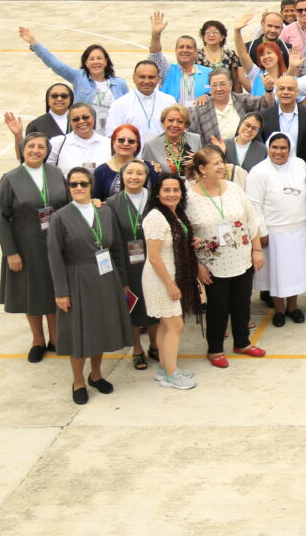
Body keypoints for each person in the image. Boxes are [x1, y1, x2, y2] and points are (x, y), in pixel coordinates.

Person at [47, 166, 133, 404]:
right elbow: (55, 258)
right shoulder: (60, 217)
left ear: (91, 186)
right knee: (79, 334)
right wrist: (61, 291)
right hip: (77, 278)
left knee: (99, 330)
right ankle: (78, 381)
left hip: (105, 278)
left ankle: (96, 375)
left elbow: (116, 249)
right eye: (73, 184)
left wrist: (122, 282)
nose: (78, 188)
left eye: (83, 184)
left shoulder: (104, 212)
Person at [184, 146, 268, 367]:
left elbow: (252, 220)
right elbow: (185, 234)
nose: (222, 166)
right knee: (217, 307)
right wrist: (196, 266)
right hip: (211, 263)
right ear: (202, 169)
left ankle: (242, 342)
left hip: (241, 257)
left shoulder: (233, 188)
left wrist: (256, 249)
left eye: (222, 161)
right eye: (216, 163)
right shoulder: (189, 196)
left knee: (242, 303)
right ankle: (215, 349)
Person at [0, 131, 67, 362]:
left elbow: (66, 208)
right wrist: (11, 252)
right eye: (31, 146)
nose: (36, 150)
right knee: (33, 292)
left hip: (54, 242)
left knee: (55, 289)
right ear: (23, 149)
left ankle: (56, 338)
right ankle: (38, 340)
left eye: (41, 147)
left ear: (47, 152)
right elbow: (2, 218)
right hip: (26, 244)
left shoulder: (56, 174)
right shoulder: (11, 178)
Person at [246, 133, 306, 326]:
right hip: (273, 232)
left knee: (295, 271)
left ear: (289, 148)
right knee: (276, 274)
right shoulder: (258, 171)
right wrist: (262, 231)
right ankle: (278, 309)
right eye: (274, 147)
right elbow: (253, 204)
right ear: (268, 148)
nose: (278, 152)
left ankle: (293, 307)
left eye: (283, 148)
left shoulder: (300, 164)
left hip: (299, 227)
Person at [142, 175, 204, 390]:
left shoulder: (175, 214)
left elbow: (176, 241)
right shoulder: (156, 217)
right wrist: (170, 284)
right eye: (166, 190)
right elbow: (155, 257)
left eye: (175, 190)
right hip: (162, 278)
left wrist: (190, 242)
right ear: (157, 193)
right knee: (175, 325)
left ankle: (164, 367)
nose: (171, 194)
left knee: (166, 324)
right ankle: (171, 374)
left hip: (173, 276)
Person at [19, 27, 130, 134]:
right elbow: (55, 64)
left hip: (112, 136)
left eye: (99, 58)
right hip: (85, 134)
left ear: (106, 61)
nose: (96, 62)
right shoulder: (79, 77)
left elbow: (127, 111)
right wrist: (34, 43)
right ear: (86, 63)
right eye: (91, 59)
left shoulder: (120, 84)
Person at [107, 159, 158, 369]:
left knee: (154, 304)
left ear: (146, 177)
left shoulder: (155, 199)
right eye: (130, 172)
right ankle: (137, 349)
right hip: (128, 263)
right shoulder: (111, 203)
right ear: (122, 176)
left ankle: (155, 345)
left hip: (153, 260)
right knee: (134, 306)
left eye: (140, 173)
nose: (134, 177)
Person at [141, 104, 201, 177]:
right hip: (164, 187)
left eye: (180, 121)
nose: (175, 125)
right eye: (170, 120)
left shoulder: (196, 139)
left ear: (186, 125)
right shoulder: (150, 145)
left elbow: (203, 167)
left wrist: (196, 162)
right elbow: (145, 173)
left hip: (192, 186)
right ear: (163, 122)